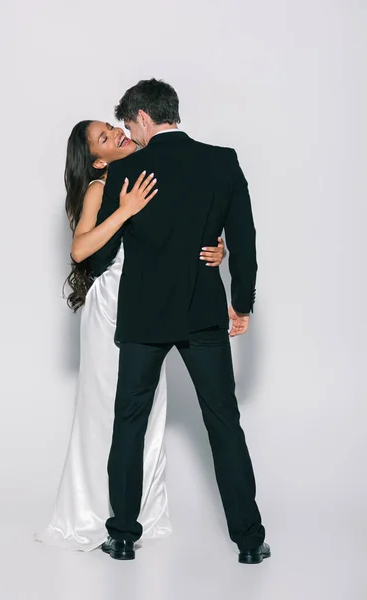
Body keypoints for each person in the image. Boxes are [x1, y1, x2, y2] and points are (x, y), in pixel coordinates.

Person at [91, 79, 270, 564]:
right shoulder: (222, 161)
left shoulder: (128, 170)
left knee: (128, 424)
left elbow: (102, 252)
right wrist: (242, 302)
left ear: (144, 118)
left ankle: (123, 536)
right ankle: (250, 542)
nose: (130, 134)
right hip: (202, 311)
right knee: (224, 425)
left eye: (130, 125)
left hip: (144, 316)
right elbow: (245, 240)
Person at [35, 120, 225, 551]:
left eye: (112, 127)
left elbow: (185, 229)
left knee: (144, 412)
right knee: (110, 412)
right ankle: (98, 515)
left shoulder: (148, 173)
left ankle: (135, 515)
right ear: (99, 160)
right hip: (112, 311)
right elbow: (79, 249)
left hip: (152, 306)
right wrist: (125, 210)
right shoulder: (102, 189)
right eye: (105, 139)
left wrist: (219, 247)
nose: (118, 134)